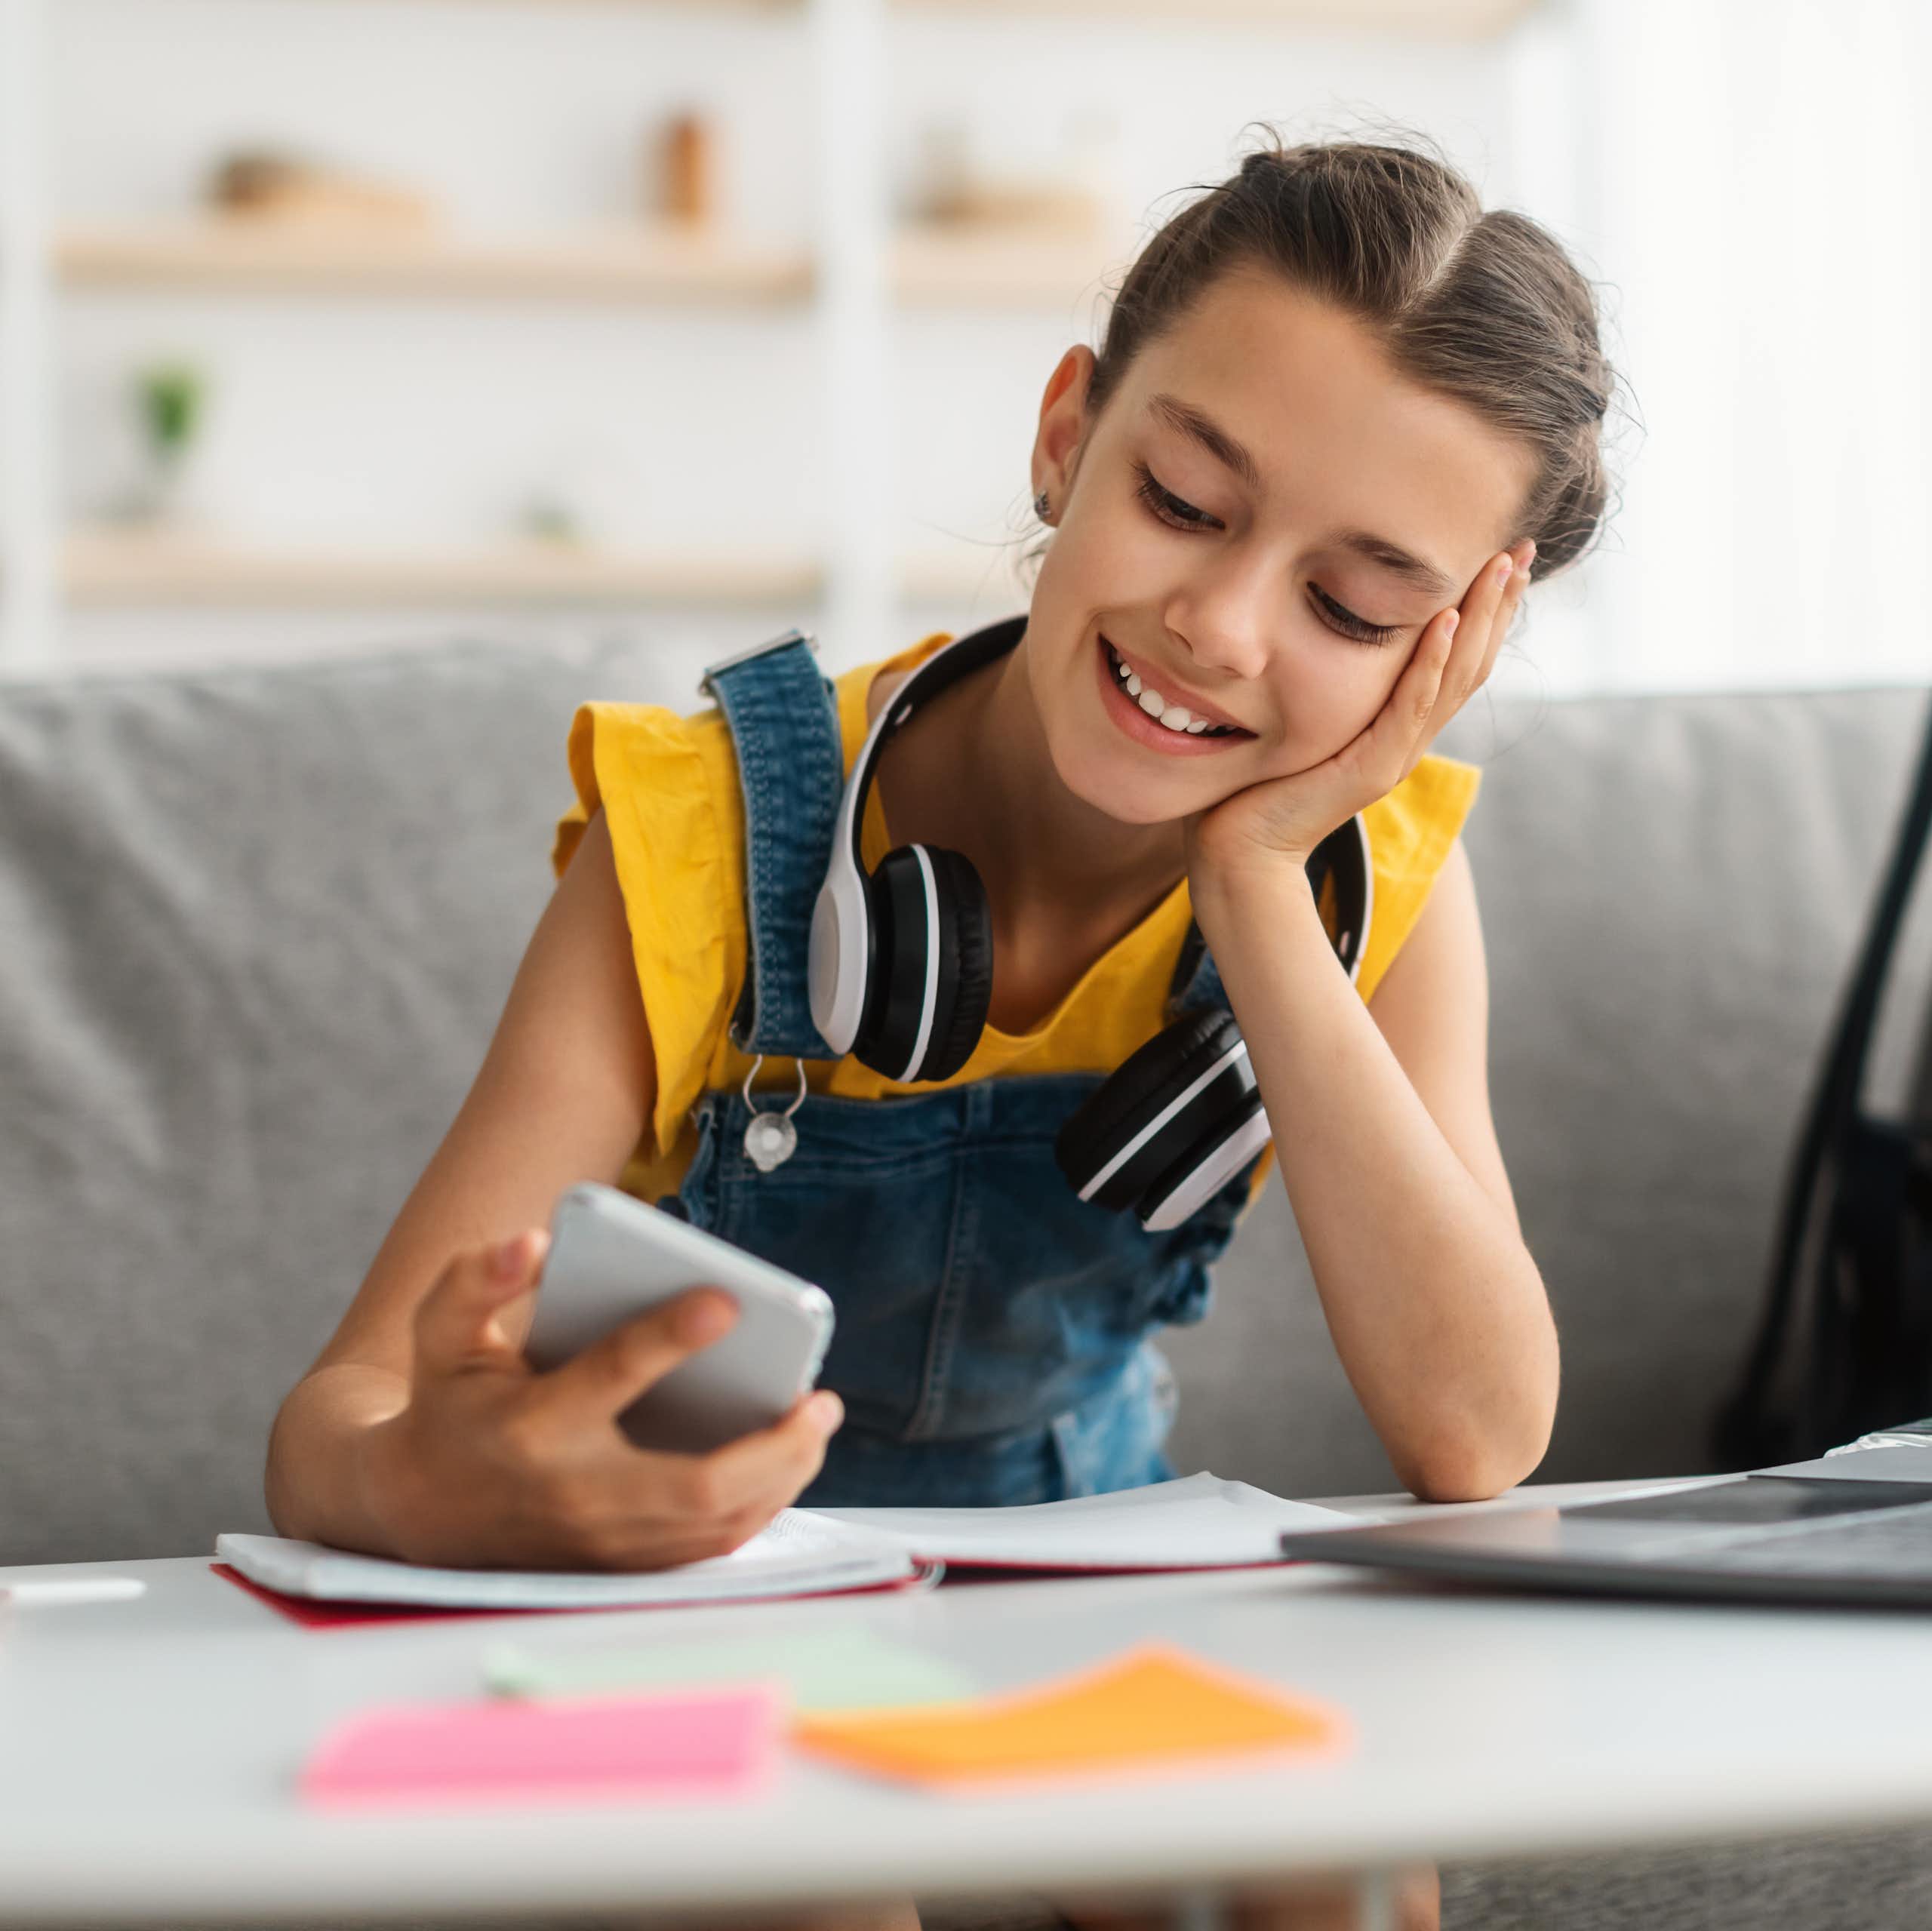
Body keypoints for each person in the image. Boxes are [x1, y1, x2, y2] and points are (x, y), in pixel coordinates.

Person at [266, 131, 1611, 1929]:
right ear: (1065, 433)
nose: (1215, 625)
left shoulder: (1374, 883)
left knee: (1338, 1846)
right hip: (715, 1600)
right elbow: (330, 1419)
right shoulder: (701, 831)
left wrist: (1261, 886)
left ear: (1439, 651)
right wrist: (434, 1477)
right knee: (828, 1877)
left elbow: (1477, 1435)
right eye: (1184, 501)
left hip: (1084, 1591)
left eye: (1350, 607)